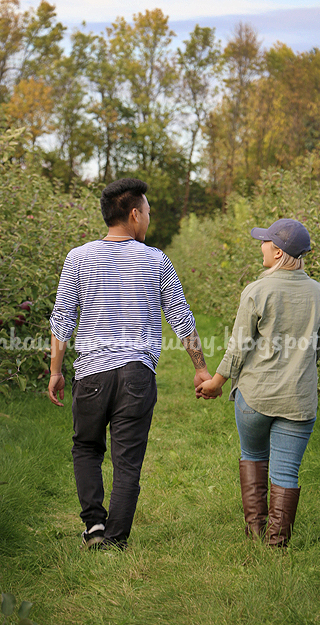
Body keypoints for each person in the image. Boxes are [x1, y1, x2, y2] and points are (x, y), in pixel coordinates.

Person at [48, 178, 213, 551]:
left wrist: (56, 371)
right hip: (137, 374)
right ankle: (115, 539)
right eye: (148, 212)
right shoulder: (156, 260)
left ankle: (94, 526)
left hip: (90, 373)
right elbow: (181, 317)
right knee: (128, 460)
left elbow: (62, 319)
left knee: (86, 447)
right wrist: (200, 368)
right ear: (135, 214)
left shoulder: (77, 258)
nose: (149, 219)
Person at [196, 218, 320, 548]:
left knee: (253, 455)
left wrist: (215, 382)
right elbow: (316, 350)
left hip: (256, 397)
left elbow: (238, 347)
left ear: (278, 251)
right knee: (286, 472)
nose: (261, 246)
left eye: (265, 241)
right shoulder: (319, 294)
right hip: (298, 399)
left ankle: (255, 533)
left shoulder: (258, 291)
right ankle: (276, 546)